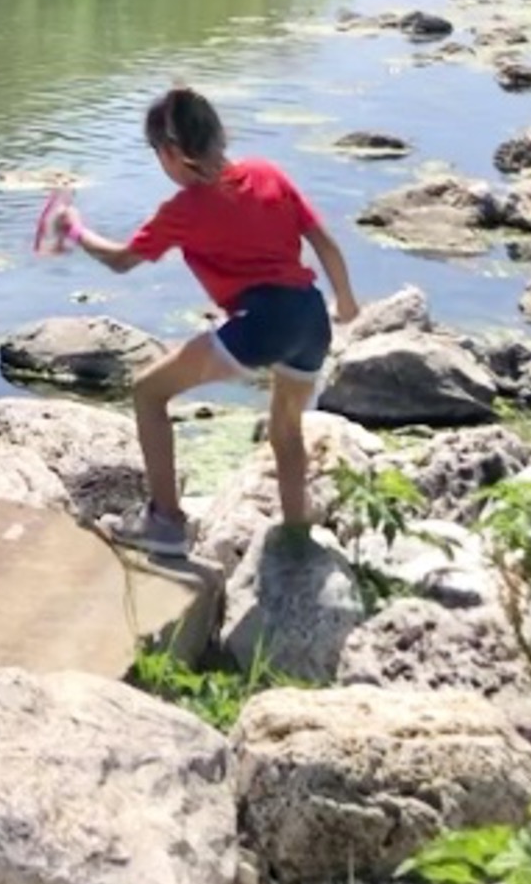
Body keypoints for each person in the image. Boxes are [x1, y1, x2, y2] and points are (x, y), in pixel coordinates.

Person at [55, 87, 360, 559]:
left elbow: (120, 261)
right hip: (311, 316)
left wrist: (74, 228)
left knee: (148, 392)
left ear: (171, 153)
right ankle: (297, 534)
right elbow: (322, 240)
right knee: (286, 430)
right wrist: (346, 300)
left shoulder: (184, 210)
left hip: (263, 322)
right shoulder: (267, 173)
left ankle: (166, 524)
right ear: (218, 135)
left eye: (158, 153)